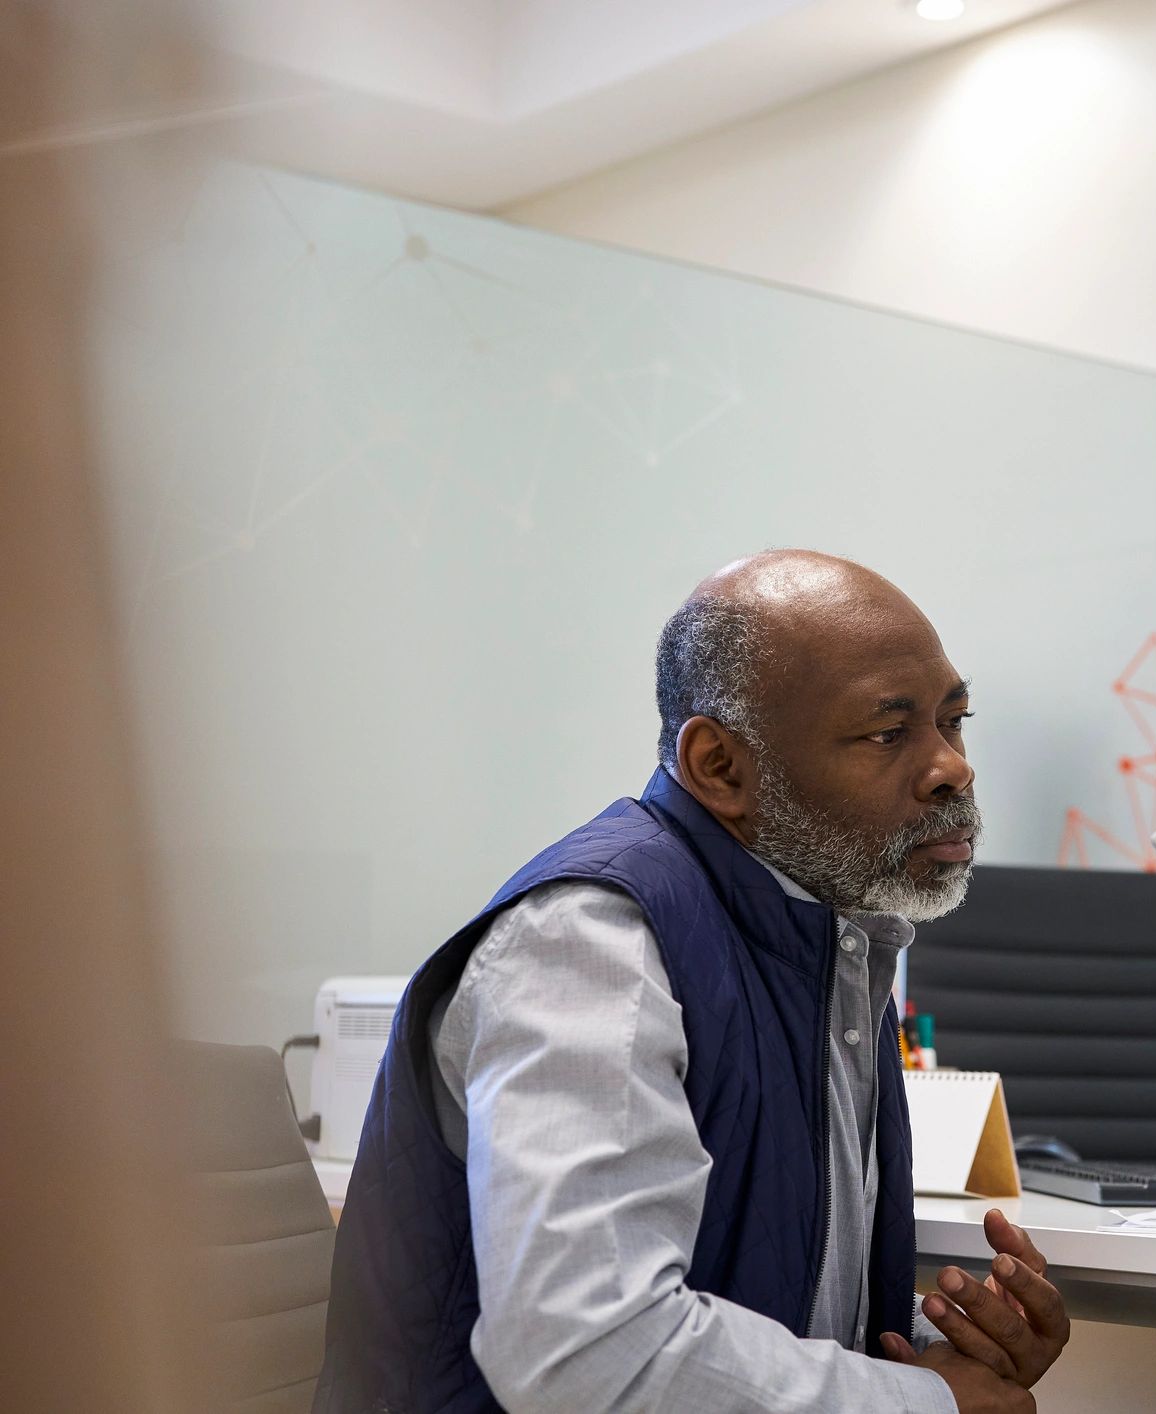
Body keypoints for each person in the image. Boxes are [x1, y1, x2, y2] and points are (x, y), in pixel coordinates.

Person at [316, 550, 1069, 1414]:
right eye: (888, 733)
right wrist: (929, 1405)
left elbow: (770, 1296)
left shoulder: (827, 939)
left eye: (954, 721)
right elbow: (588, 1350)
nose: (951, 767)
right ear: (719, 767)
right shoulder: (592, 941)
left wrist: (945, 1351)